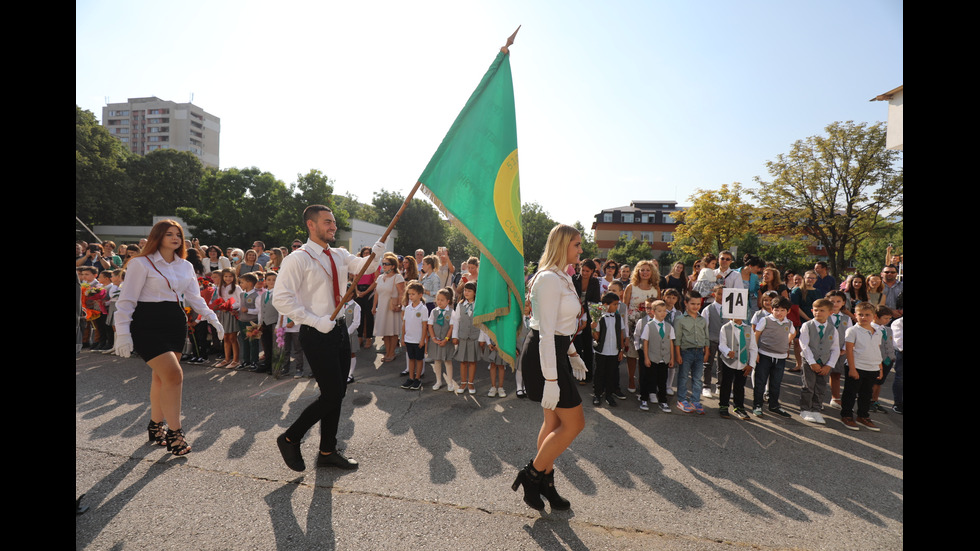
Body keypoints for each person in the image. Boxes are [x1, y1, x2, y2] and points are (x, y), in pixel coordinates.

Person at [272, 205, 384, 472]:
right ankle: (290, 437)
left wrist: (377, 253)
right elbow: (281, 299)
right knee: (333, 393)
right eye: (327, 222)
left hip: (339, 329)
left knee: (337, 393)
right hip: (316, 331)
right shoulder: (297, 259)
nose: (333, 226)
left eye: (333, 222)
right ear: (311, 225)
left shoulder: (338, 254)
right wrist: (314, 320)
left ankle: (327, 450)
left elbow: (363, 267)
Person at [113, 220, 225, 456]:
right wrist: (122, 332)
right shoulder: (141, 263)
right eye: (169, 234)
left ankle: (155, 426)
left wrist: (212, 318)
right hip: (146, 323)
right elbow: (126, 301)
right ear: (158, 237)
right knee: (174, 375)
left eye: (178, 234)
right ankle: (175, 433)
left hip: (175, 321)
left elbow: (194, 297)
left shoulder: (185, 265)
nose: (175, 238)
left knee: (161, 378)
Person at [512, 224, 587, 512]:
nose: (581, 249)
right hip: (545, 356)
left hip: (556, 351)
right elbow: (544, 332)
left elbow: (560, 326)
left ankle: (546, 482)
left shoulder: (561, 276)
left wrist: (573, 352)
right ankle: (532, 475)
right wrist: (552, 380)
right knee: (574, 423)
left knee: (554, 424)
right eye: (576, 245)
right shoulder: (549, 279)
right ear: (562, 245)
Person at [841, 302, 884, 431]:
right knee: (851, 392)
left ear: (874, 316)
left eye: (867, 315)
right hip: (857, 366)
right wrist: (852, 369)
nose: (864, 317)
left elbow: (877, 349)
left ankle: (863, 415)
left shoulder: (878, 331)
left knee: (866, 393)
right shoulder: (852, 330)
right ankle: (847, 415)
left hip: (872, 367)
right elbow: (849, 350)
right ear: (855, 315)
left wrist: (879, 367)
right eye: (860, 314)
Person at [752, 296, 795, 418]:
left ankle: (774, 405)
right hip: (765, 355)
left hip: (780, 358)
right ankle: (757, 405)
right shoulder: (765, 320)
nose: (779, 313)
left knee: (776, 383)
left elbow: (793, 333)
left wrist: (786, 343)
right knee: (760, 382)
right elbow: (757, 334)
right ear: (771, 309)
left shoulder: (789, 323)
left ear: (788, 311)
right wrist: (756, 352)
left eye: (783, 310)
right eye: (776, 310)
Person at [798, 298, 838, 424]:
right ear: (812, 310)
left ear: (830, 312)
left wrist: (829, 365)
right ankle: (805, 410)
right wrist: (812, 362)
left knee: (820, 387)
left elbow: (835, 348)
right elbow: (804, 345)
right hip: (810, 361)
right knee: (808, 386)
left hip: (825, 362)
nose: (818, 313)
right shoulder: (807, 326)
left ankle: (816, 410)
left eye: (822, 310)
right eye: (816, 310)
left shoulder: (833, 329)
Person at [622, 260, 660, 393]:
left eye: (647, 270)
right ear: (637, 272)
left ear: (652, 272)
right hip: (632, 325)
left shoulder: (656, 289)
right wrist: (624, 329)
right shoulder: (631, 287)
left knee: (647, 355)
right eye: (642, 270)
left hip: (649, 325)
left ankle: (643, 380)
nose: (645, 272)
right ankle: (631, 379)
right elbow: (624, 308)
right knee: (632, 354)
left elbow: (659, 309)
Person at [674, 292, 710, 414]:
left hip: (700, 352)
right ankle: (681, 400)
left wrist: (707, 352)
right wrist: (678, 354)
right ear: (686, 303)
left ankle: (695, 401)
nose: (696, 306)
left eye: (698, 304)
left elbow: (706, 337)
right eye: (692, 304)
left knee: (698, 378)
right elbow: (677, 339)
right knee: (683, 377)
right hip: (685, 352)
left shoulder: (702, 320)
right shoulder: (679, 320)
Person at [716, 313, 757, 420]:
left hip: (743, 363)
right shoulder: (725, 328)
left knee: (740, 386)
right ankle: (723, 406)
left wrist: (751, 364)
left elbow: (753, 347)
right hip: (729, 362)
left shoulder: (748, 329)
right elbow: (722, 344)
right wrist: (727, 351)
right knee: (726, 384)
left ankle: (739, 407)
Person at [591, 291, 625, 407]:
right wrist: (593, 329)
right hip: (602, 350)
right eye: (614, 304)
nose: (617, 307)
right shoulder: (599, 317)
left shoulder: (618, 317)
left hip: (614, 351)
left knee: (612, 373)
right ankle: (597, 394)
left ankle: (609, 395)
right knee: (599, 372)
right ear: (605, 304)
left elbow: (620, 333)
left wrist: (621, 350)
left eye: (617, 304)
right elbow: (597, 337)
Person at [640, 299, 675, 413]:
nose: (663, 313)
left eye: (664, 311)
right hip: (652, 358)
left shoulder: (669, 327)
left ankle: (663, 401)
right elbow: (645, 342)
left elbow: (670, 342)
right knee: (648, 379)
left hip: (664, 359)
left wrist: (671, 358)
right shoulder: (648, 326)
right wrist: (646, 357)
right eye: (660, 311)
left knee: (662, 380)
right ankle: (644, 399)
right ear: (653, 312)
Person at [373, 253, 406, 363]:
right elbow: (376, 293)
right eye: (383, 264)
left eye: (386, 264)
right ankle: (387, 352)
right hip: (382, 307)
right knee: (385, 331)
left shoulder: (398, 277)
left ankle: (392, 353)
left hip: (392, 307)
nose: (384, 266)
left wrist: (400, 305)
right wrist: (374, 306)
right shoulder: (380, 277)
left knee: (393, 331)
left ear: (393, 265)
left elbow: (402, 293)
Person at [452, 282, 481, 394]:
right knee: (463, 361)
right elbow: (456, 321)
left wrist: (482, 338)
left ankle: (471, 383)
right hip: (463, 337)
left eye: (469, 291)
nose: (466, 293)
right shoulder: (460, 305)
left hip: (474, 336)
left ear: (474, 292)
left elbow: (481, 323)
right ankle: (463, 382)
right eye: (465, 290)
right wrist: (455, 336)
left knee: (472, 361)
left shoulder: (478, 305)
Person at [399, 282, 428, 390]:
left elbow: (425, 326)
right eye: (409, 294)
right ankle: (410, 378)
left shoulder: (423, 309)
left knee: (419, 359)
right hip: (409, 339)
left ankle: (417, 379)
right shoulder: (407, 308)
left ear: (420, 295)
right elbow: (404, 324)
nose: (410, 296)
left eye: (413, 294)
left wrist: (422, 340)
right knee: (411, 359)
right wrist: (402, 337)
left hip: (418, 340)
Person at [427, 288, 456, 391]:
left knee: (447, 361)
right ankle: (438, 381)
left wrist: (446, 339)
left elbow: (452, 327)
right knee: (437, 361)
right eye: (438, 299)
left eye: (442, 300)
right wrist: (434, 338)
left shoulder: (452, 312)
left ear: (448, 301)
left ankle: (450, 382)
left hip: (446, 342)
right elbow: (430, 326)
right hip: (436, 341)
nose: (439, 302)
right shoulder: (434, 312)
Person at [869, 306, 896, 414]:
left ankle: (875, 400)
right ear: (876, 317)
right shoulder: (870, 328)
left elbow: (890, 343)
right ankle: (869, 400)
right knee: (872, 381)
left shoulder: (888, 330)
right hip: (875, 359)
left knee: (880, 382)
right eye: (885, 318)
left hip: (888, 360)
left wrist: (892, 356)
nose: (888, 320)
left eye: (889, 318)